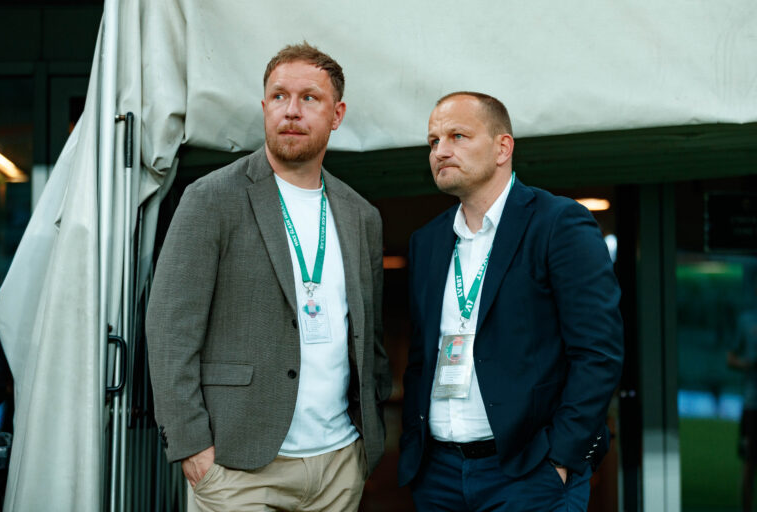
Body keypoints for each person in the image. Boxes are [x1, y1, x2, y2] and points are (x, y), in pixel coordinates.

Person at [146, 42, 391, 512]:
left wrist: (368, 439)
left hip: (339, 463)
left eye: (309, 98)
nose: (291, 110)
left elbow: (370, 337)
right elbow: (170, 330)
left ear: (337, 115)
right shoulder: (211, 198)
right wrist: (192, 446)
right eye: (279, 96)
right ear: (264, 108)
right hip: (237, 468)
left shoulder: (361, 215)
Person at [398, 92, 624, 511]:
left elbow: (599, 352)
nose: (440, 151)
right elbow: (419, 359)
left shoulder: (558, 223)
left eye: (457, 136)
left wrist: (561, 458)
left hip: (529, 474)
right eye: (433, 141)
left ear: (503, 147)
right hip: (439, 477)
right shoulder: (426, 241)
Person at [727, 299, 757, 512]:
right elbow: (730, 358)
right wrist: (748, 364)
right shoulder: (746, 321)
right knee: (749, 463)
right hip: (752, 404)